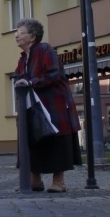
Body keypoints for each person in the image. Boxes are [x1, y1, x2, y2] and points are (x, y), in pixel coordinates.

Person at [13, 18, 82, 193]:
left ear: (33, 37)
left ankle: (59, 181)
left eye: (21, 33)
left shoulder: (45, 50)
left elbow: (53, 74)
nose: (16, 35)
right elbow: (18, 77)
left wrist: (31, 82)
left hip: (53, 104)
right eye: (16, 32)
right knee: (32, 140)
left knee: (55, 141)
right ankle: (34, 180)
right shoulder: (23, 59)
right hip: (32, 107)